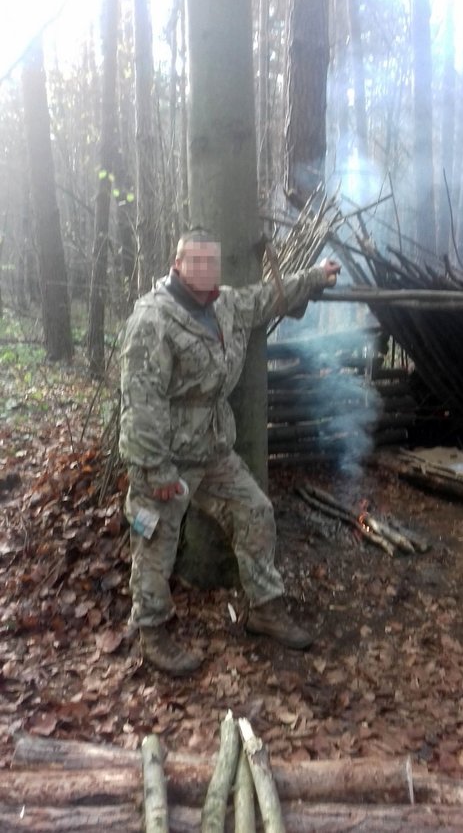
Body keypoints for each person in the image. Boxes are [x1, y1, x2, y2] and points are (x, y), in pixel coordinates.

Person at [119, 229, 341, 676]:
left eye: (211, 261)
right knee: (154, 542)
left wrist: (315, 277)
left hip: (214, 451)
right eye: (195, 261)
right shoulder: (153, 320)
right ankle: (152, 632)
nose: (205, 269)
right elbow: (140, 404)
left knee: (256, 511)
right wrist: (156, 470)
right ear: (177, 263)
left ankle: (264, 608)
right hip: (165, 459)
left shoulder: (225, 305)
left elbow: (267, 297)